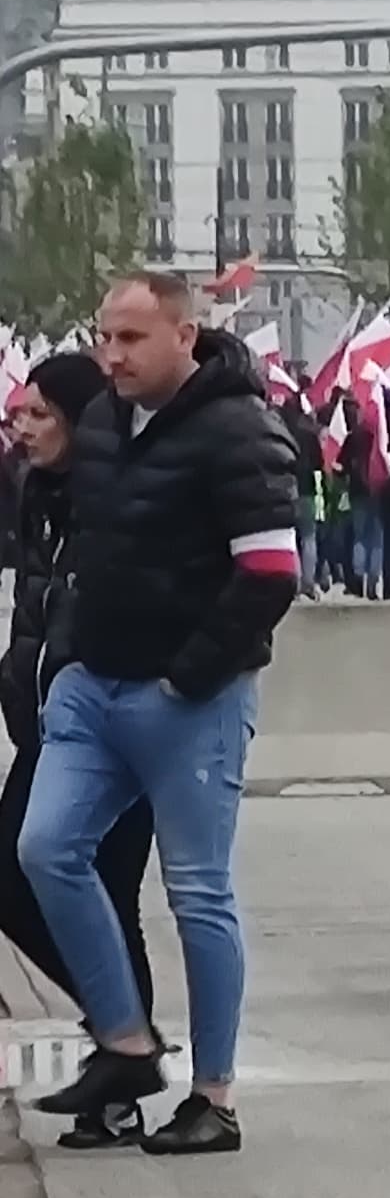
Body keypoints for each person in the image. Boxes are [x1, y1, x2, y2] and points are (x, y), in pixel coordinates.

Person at [16, 275, 302, 1158]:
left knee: (197, 894)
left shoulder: (240, 428)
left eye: (133, 338)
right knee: (43, 850)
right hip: (92, 691)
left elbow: (270, 574)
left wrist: (186, 680)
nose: (113, 355)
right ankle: (127, 1044)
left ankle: (212, 1096)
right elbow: (79, 548)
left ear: (186, 336)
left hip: (192, 701)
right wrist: (66, 663)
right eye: (106, 336)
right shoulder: (101, 420)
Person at [0, 357, 157, 1145]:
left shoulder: (113, 500)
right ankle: (124, 1037)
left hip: (113, 722)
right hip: (49, 726)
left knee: (105, 889)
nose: (20, 429)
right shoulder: (40, 496)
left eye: (36, 416)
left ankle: (121, 1067)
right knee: (17, 878)